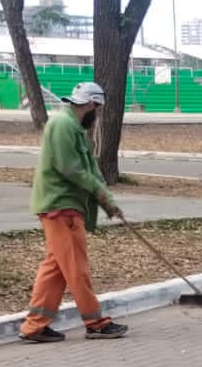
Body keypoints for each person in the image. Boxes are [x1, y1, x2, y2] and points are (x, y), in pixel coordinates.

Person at [18, 82, 129, 342]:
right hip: (61, 207)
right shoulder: (63, 126)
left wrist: (109, 204)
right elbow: (73, 170)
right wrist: (105, 199)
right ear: (91, 104)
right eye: (98, 109)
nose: (98, 115)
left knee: (56, 268)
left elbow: (90, 170)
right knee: (77, 267)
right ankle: (96, 322)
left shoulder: (73, 127)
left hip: (65, 206)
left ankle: (34, 326)